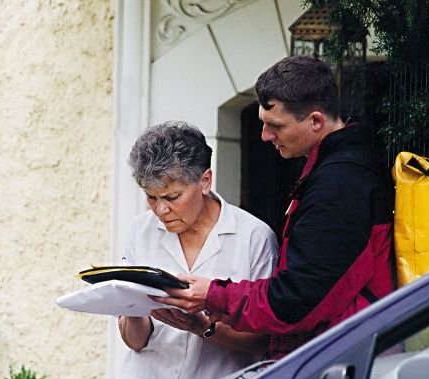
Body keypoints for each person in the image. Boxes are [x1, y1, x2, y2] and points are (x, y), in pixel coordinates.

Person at [153, 56, 395, 359]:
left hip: (344, 359)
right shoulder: (339, 170)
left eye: (275, 126)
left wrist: (212, 294)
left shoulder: (338, 184)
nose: (265, 136)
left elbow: (295, 302)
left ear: (316, 121)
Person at [114, 121, 278, 379]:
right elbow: (135, 342)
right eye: (151, 197)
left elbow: (265, 341)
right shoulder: (139, 232)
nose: (161, 209)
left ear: (205, 180)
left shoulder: (254, 238)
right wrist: (131, 305)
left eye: (172, 196)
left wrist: (203, 328)